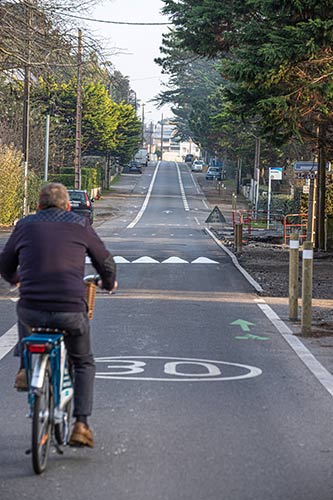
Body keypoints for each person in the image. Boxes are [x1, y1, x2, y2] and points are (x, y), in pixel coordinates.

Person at [0, 183, 117, 448]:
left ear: (39, 206)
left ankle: (24, 369)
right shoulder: (79, 225)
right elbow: (105, 262)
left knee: (25, 309)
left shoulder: (26, 225)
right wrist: (109, 283)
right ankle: (81, 425)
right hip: (70, 311)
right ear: (67, 206)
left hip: (32, 310)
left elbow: (5, 263)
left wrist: (16, 279)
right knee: (83, 362)